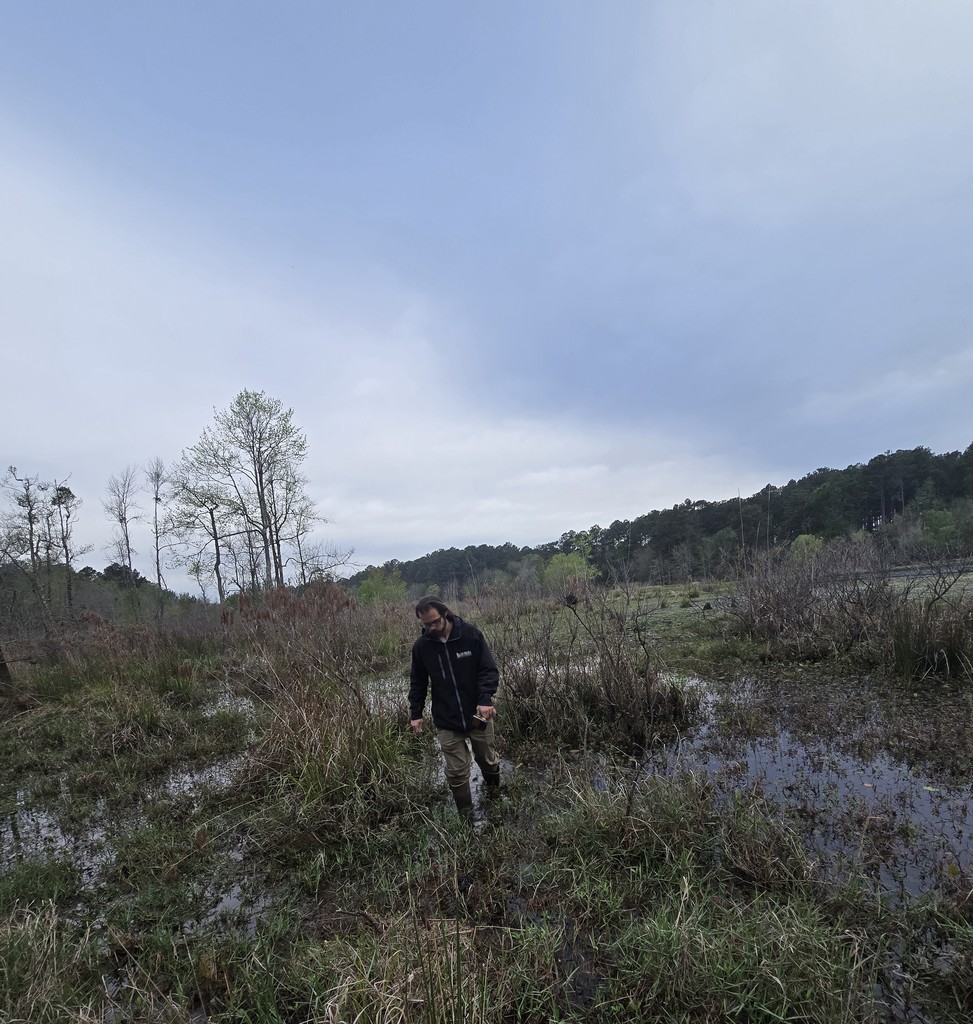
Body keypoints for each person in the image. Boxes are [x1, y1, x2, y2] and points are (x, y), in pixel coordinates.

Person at [408, 596, 501, 821]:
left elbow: (488, 670)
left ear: (445, 613)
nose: (432, 627)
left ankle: (495, 798)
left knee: (487, 761)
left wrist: (485, 699)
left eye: (435, 622)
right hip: (446, 719)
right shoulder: (422, 647)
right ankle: (466, 819)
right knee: (457, 773)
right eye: (426, 624)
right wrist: (416, 714)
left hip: (478, 714)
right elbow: (418, 682)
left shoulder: (470, 634)